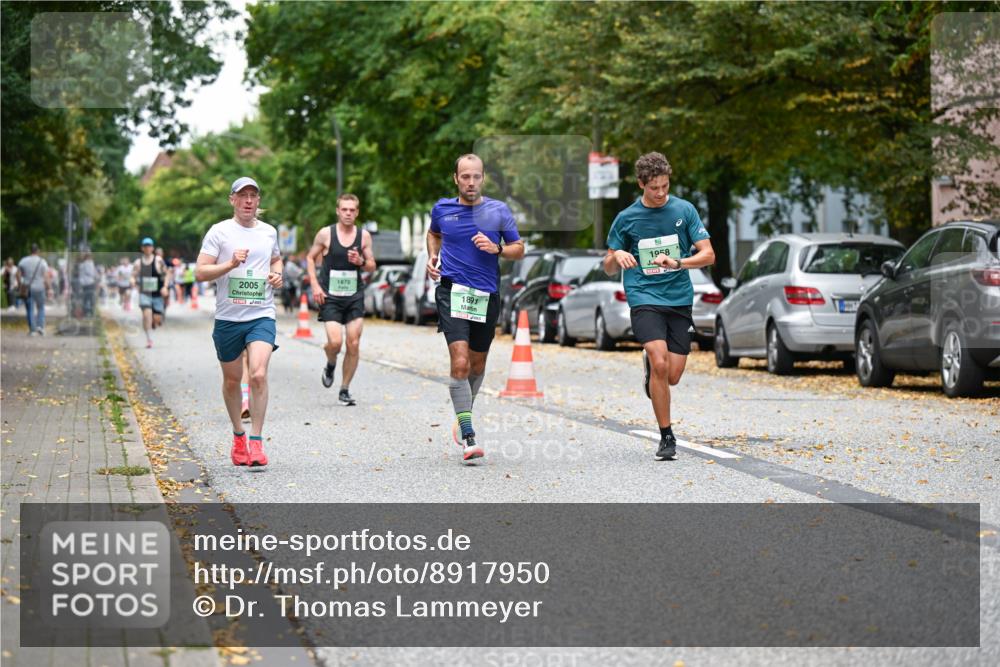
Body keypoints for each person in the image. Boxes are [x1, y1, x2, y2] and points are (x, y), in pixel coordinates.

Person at [604, 152, 715, 461]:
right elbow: (608, 265)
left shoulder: (684, 210)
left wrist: (678, 261)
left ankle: (651, 372)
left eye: (665, 186)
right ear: (642, 184)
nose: (661, 193)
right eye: (655, 188)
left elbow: (708, 255)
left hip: (678, 299)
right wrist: (618, 257)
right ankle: (666, 436)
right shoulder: (627, 218)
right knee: (660, 361)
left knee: (673, 375)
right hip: (644, 297)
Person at [427, 154, 525, 464]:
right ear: (456, 178)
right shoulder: (442, 209)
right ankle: (469, 436)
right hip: (452, 291)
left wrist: (497, 248)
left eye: (476, 177)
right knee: (459, 362)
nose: (471, 182)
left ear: (483, 178)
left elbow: (519, 249)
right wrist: (433, 256)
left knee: (477, 364)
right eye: (465, 176)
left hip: (486, 294)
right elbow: (434, 233)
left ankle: (463, 412)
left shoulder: (498, 211)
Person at [195, 176, 282, 468]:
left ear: (258, 201)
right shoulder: (219, 232)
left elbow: (276, 260)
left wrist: (277, 275)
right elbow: (200, 272)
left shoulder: (269, 232)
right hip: (228, 318)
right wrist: (230, 264)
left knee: (257, 374)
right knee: (232, 381)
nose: (248, 200)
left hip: (261, 315)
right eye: (242, 195)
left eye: (253, 196)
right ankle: (238, 436)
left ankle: (256, 442)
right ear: (232, 199)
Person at [306, 194, 375, 406]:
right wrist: (316, 286)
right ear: (338, 211)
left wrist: (361, 261)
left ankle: (344, 389)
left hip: (354, 295)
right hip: (331, 296)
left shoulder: (363, 237)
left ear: (357, 212)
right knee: (335, 342)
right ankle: (330, 362)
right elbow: (309, 258)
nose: (348, 213)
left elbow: (372, 265)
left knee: (353, 343)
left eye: (352, 210)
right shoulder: (326, 234)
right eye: (344, 209)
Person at [133, 238, 170, 348]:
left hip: (157, 294)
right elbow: (133, 275)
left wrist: (165, 287)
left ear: (152, 248)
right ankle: (149, 339)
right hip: (144, 294)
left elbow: (167, 274)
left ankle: (154, 321)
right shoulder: (138, 262)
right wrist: (132, 280)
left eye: (149, 246)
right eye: (145, 246)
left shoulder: (158, 261)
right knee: (146, 315)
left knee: (157, 319)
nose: (147, 248)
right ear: (142, 248)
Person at [17, 244, 51, 336]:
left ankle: (32, 330)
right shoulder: (42, 261)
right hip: (40, 288)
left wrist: (20, 285)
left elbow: (18, 274)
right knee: (41, 307)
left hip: (27, 288)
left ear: (30, 250)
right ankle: (40, 326)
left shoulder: (23, 260)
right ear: (38, 251)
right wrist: (49, 288)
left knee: (30, 309)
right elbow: (46, 276)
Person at [77, 251, 98, 317]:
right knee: (91, 298)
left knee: (85, 298)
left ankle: (85, 312)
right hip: (90, 282)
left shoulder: (81, 264)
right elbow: (91, 273)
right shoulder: (89, 263)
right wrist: (96, 277)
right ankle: (90, 313)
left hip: (83, 283)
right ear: (89, 257)